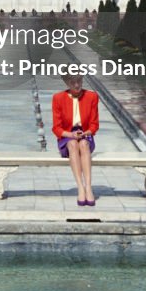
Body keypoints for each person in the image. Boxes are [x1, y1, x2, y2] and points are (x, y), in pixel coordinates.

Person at [52, 75, 99, 206]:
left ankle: (88, 187)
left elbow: (94, 125)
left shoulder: (92, 96)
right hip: (67, 136)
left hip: (85, 134)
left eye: (79, 81)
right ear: (66, 82)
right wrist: (71, 135)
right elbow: (56, 128)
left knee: (83, 144)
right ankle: (80, 187)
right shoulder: (58, 98)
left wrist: (85, 133)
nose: (77, 85)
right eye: (73, 82)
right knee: (73, 144)